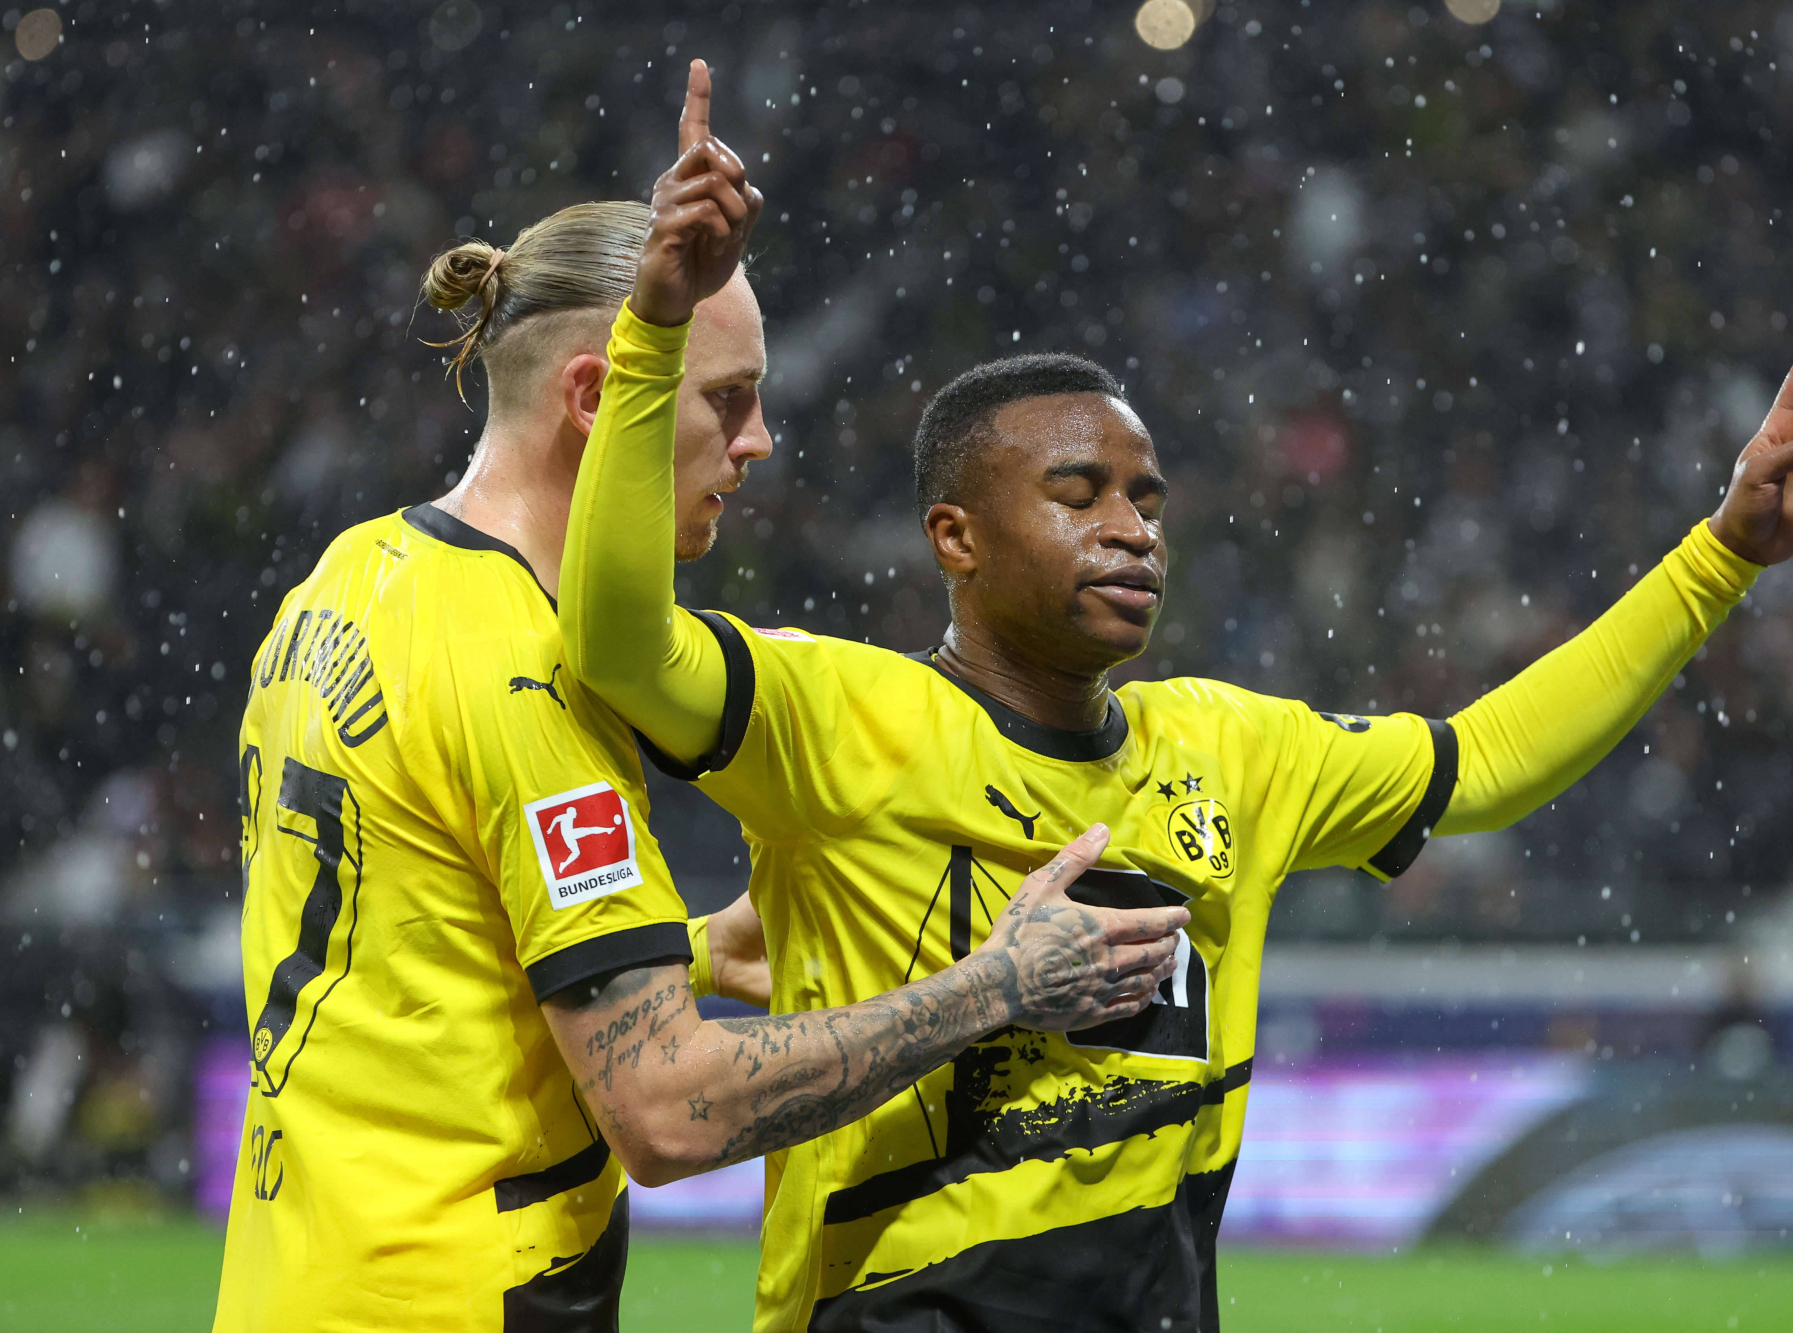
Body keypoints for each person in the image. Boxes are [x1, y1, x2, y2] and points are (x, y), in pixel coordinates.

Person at [565, 64, 1793, 1333]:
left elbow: (1487, 762)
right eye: (1077, 495)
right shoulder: (834, 715)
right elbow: (619, 639)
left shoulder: (1229, 749)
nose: (1131, 529)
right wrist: (658, 330)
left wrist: (1720, 557)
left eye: (1147, 500)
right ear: (954, 536)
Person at [208, 61, 1190, 1333]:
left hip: (295, 1280)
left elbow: (410, 951)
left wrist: (686, 950)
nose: (760, 439)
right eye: (728, 398)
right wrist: (994, 987)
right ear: (596, 397)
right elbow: (667, 1110)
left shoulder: (343, 581)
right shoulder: (531, 672)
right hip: (453, 1296)